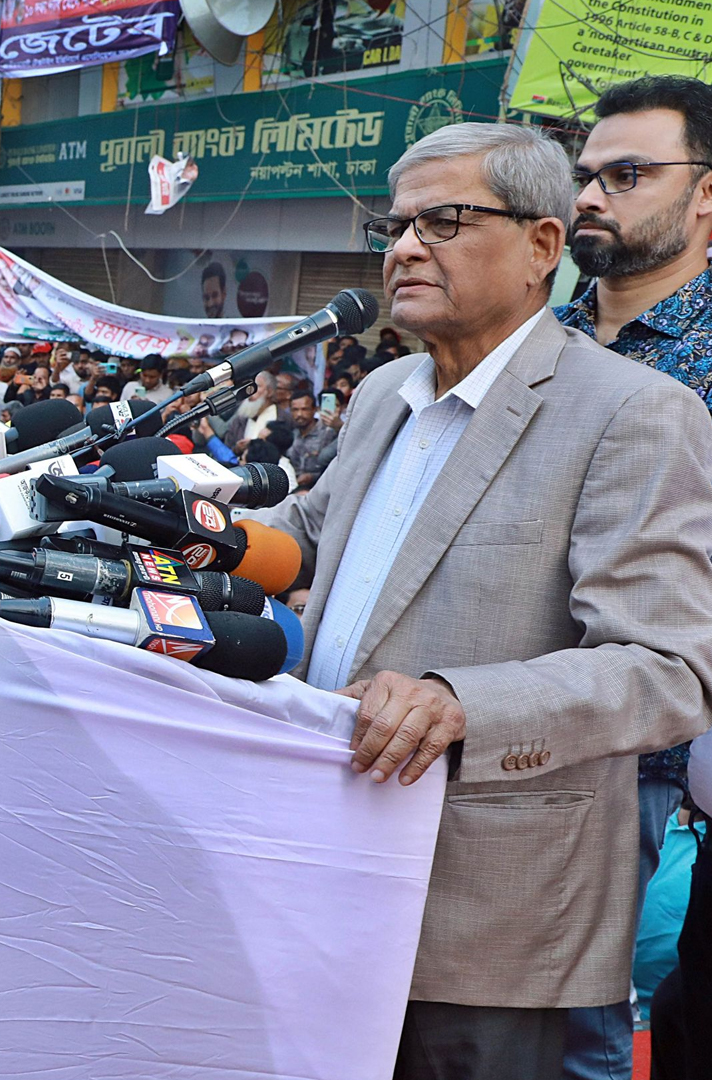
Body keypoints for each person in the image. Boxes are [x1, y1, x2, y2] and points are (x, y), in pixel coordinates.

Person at [265, 122, 712, 1077]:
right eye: (395, 225)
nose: (404, 246)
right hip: (323, 864)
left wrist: (458, 702)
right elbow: (310, 531)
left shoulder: (633, 411)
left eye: (445, 220)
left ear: (542, 247)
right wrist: (181, 537)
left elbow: (667, 669)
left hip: (491, 915)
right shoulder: (386, 391)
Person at [551, 74, 712, 1080]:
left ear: (706, 194)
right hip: (491, 733)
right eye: (585, 176)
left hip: (647, 768)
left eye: (628, 173)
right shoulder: (539, 341)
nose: (592, 197)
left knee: (592, 1038)